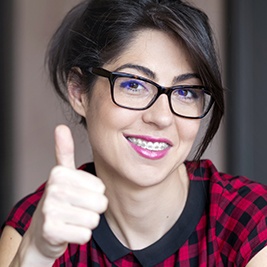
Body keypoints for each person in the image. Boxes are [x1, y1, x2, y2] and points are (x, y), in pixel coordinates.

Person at [0, 0, 267, 266]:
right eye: (134, 85)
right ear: (79, 92)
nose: (162, 117)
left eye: (186, 92)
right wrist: (35, 254)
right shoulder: (41, 225)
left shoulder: (248, 221)